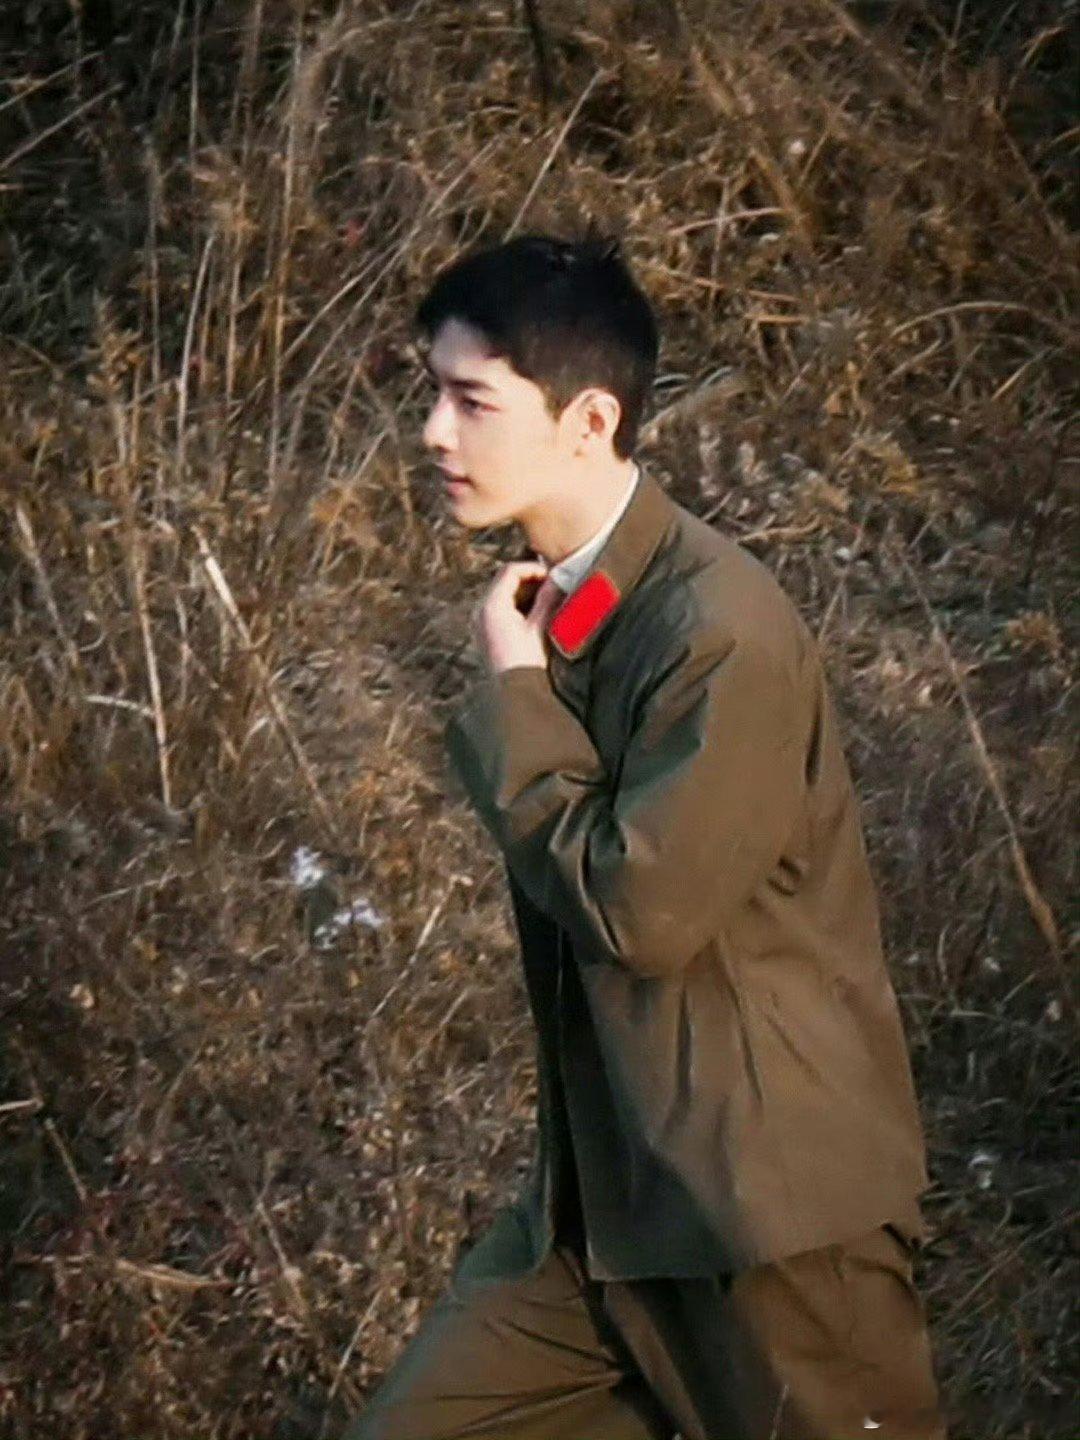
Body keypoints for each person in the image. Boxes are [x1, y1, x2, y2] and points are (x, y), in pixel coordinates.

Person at [344, 233, 946, 1440]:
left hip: (764, 1224)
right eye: (432, 393)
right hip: (597, 1220)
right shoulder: (567, 595)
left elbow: (641, 913)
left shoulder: (717, 627)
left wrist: (518, 697)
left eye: (471, 400)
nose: (433, 433)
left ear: (590, 420)